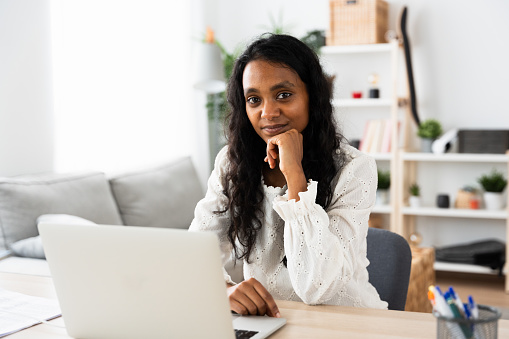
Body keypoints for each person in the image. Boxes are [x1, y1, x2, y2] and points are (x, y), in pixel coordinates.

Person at [189, 34, 388, 317]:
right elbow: (195, 248)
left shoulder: (355, 168)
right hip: (270, 321)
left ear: (312, 96)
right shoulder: (232, 162)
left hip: (344, 322)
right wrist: (222, 289)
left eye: (284, 94)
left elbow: (317, 287)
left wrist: (294, 173)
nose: (268, 112)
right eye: (254, 99)